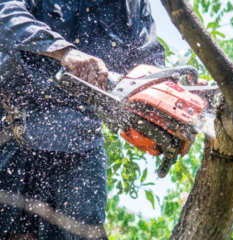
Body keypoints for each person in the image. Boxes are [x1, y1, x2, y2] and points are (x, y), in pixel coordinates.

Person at [0, 0, 165, 239]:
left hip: (81, 139)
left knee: (87, 233)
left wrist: (171, 100)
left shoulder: (133, 6)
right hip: (12, 123)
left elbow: (150, 66)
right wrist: (63, 51)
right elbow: (5, 13)